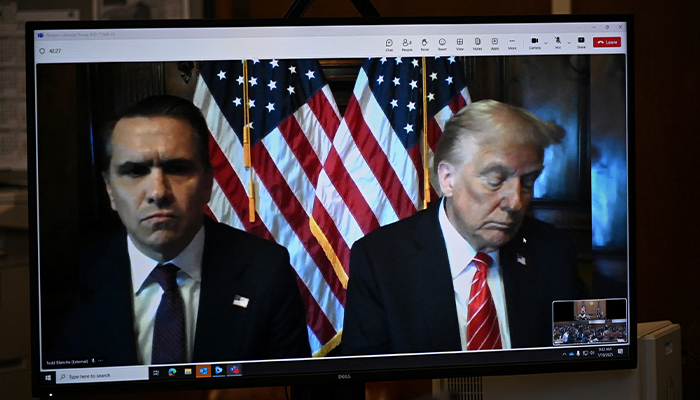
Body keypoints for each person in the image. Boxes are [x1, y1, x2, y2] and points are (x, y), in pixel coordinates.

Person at [54, 95, 310, 366]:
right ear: (110, 190)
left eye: (177, 169)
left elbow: (288, 388)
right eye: (135, 171)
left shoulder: (266, 271)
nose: (158, 192)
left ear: (208, 183)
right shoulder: (74, 277)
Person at [342, 99, 586, 356]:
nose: (516, 202)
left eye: (527, 182)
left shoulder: (553, 250)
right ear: (448, 179)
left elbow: (589, 353)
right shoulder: (381, 260)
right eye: (495, 180)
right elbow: (367, 381)